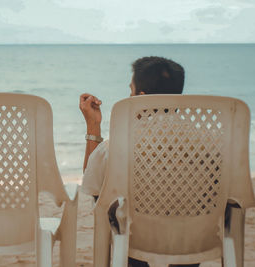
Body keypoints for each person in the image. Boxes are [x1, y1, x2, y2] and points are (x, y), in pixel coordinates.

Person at [79, 56, 199, 267]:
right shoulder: (205, 142)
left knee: (106, 198)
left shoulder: (120, 144)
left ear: (141, 98)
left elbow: (93, 183)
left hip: (138, 243)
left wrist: (93, 124)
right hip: (193, 240)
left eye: (130, 91)